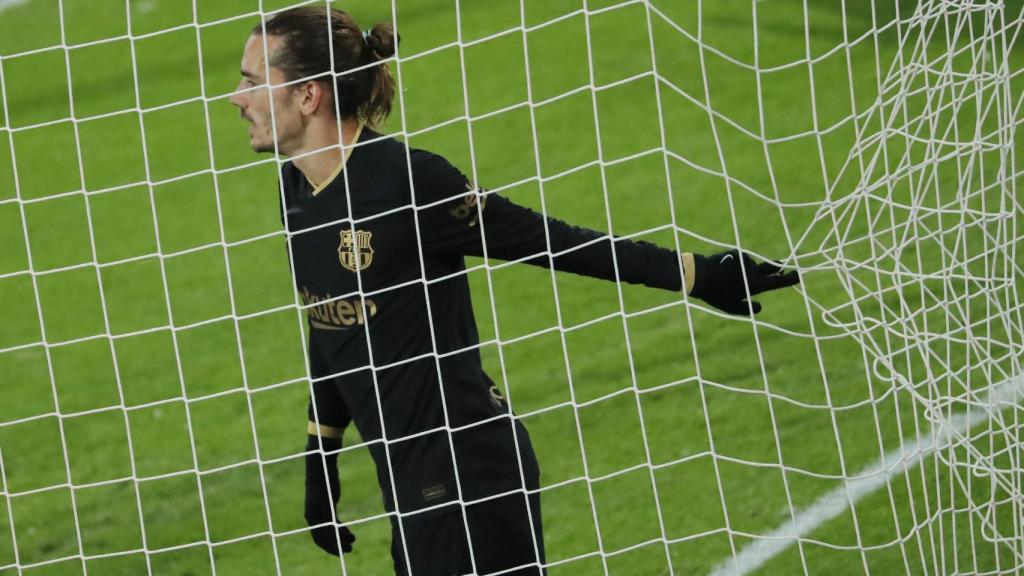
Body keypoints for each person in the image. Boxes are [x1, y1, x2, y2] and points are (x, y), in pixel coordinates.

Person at [228, 7, 799, 576]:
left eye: (253, 82)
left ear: (309, 96)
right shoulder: (296, 189)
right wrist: (320, 454)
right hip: (409, 481)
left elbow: (551, 241)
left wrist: (698, 274)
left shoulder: (408, 181)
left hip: (470, 473)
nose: (237, 98)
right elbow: (331, 318)